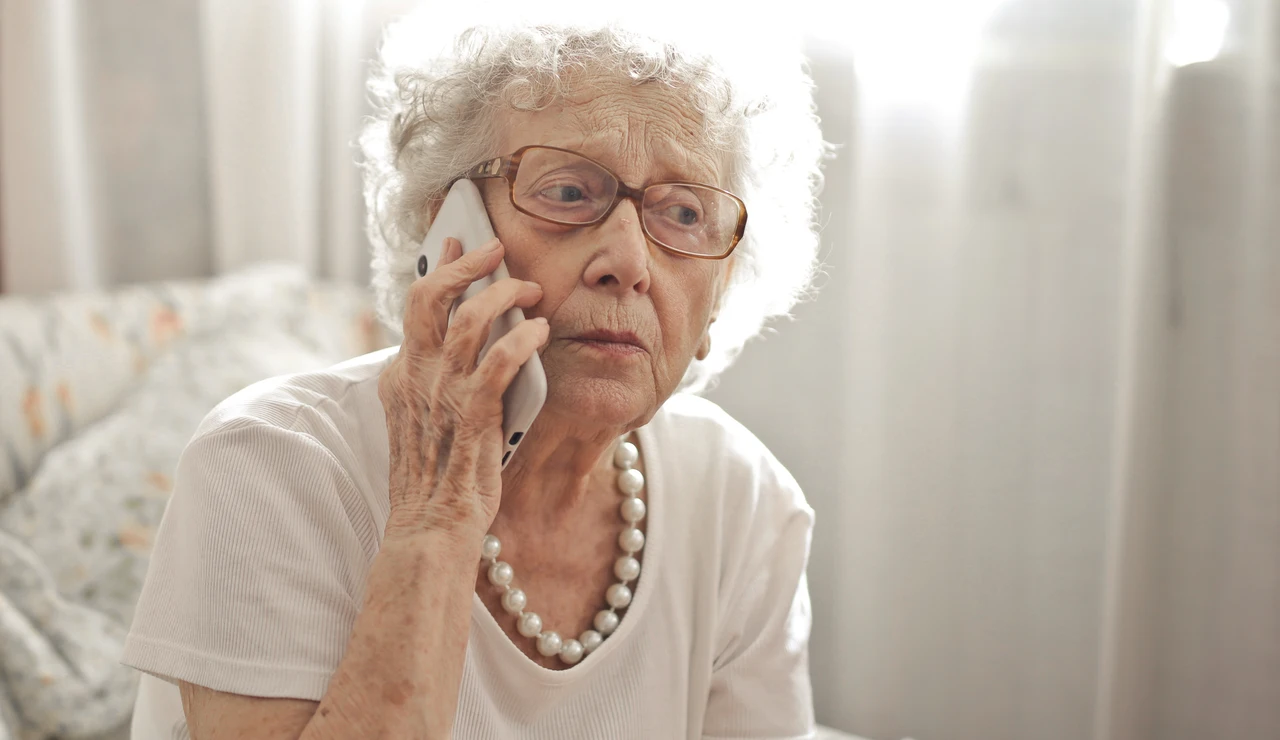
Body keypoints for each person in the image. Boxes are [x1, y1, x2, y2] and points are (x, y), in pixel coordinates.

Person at [122, 14, 827, 740]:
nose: (628, 262)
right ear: (450, 233)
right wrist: (436, 518)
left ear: (719, 290)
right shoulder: (270, 465)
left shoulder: (744, 500)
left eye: (683, 213)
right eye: (569, 193)